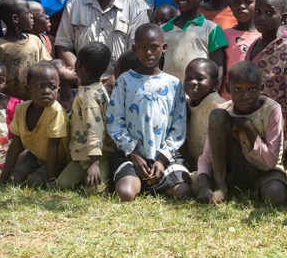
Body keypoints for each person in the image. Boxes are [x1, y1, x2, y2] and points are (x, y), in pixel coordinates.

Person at [107, 24, 190, 202]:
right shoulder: (124, 81)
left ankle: (155, 177)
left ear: (164, 47)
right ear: (134, 49)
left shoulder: (174, 84)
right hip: (131, 155)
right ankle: (138, 178)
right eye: (142, 48)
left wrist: (162, 159)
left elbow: (179, 125)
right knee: (126, 193)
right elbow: (114, 121)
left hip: (165, 156)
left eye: (154, 47)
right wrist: (133, 153)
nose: (148, 53)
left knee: (181, 191)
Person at [196, 61, 287, 207]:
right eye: (238, 89)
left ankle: (254, 189)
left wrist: (246, 126)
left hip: (264, 173)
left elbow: (270, 162)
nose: (245, 96)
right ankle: (221, 188)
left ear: (261, 88)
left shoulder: (272, 110)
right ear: (228, 89)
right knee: (217, 115)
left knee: (275, 196)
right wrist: (204, 186)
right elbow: (207, 156)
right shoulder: (224, 110)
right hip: (232, 172)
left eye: (252, 89)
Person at [54, 0, 151, 74]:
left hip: (123, 84)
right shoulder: (75, 3)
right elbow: (64, 46)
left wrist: (113, 80)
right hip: (82, 83)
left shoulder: (136, 5)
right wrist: (82, 77)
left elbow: (137, 51)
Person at [55, 42, 114, 193]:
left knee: (95, 192)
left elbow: (95, 128)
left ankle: (108, 176)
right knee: (62, 184)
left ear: (78, 63)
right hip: (81, 155)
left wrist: (94, 163)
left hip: (99, 155)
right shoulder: (96, 87)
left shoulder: (89, 98)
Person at [0, 62, 70, 187]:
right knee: (14, 179)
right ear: (28, 89)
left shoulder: (55, 111)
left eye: (52, 87)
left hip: (57, 160)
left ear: (58, 90)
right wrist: (3, 177)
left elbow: (53, 148)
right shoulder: (21, 109)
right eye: (40, 86)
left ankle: (42, 174)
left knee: (34, 181)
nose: (47, 91)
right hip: (35, 156)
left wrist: (51, 179)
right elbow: (15, 146)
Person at [247, 0, 287, 147]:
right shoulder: (254, 45)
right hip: (251, 119)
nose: (262, 17)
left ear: (283, 18)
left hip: (275, 124)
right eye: (258, 11)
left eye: (269, 13)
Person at [161, 0, 227, 81]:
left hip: (198, 96)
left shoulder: (211, 29)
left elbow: (218, 72)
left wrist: (210, 96)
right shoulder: (162, 30)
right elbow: (158, 67)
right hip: (167, 96)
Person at [0, 0, 52, 99]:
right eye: (28, 13)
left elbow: (47, 65)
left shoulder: (35, 40)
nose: (32, 16)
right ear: (15, 18)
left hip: (34, 100)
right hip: (9, 102)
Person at [183, 58, 226, 169]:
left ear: (215, 83)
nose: (192, 82)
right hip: (195, 165)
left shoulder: (216, 105)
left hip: (216, 167)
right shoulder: (186, 103)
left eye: (200, 78)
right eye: (188, 78)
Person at [221, 0, 261, 100]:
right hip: (226, 99)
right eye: (236, 2)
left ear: (259, 4)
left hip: (254, 101)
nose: (242, 6)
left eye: (248, 2)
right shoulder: (223, 34)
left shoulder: (264, 37)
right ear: (230, 5)